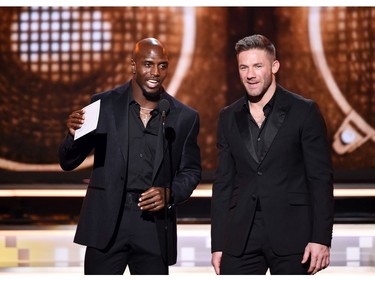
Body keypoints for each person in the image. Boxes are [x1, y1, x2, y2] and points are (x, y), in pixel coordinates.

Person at [58, 37, 201, 275]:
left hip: (153, 226)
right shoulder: (103, 104)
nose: (155, 72)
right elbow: (68, 162)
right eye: (147, 64)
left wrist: (171, 193)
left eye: (162, 65)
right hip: (107, 223)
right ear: (133, 65)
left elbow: (191, 170)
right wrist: (73, 135)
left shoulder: (184, 116)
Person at [210, 34, 334, 275]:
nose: (250, 74)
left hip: (293, 233)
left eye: (258, 66)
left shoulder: (304, 111)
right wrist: (218, 244)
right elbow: (224, 182)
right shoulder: (228, 116)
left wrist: (321, 238)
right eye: (243, 67)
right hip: (241, 235)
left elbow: (320, 178)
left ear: (274, 66)